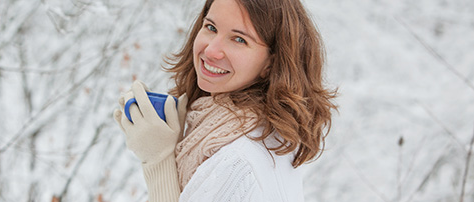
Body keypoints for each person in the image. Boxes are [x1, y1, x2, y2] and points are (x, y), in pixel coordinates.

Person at [113, 0, 337, 201]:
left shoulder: (238, 163)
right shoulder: (268, 133)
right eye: (211, 27)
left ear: (271, 63)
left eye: (239, 39)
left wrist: (158, 160)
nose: (211, 51)